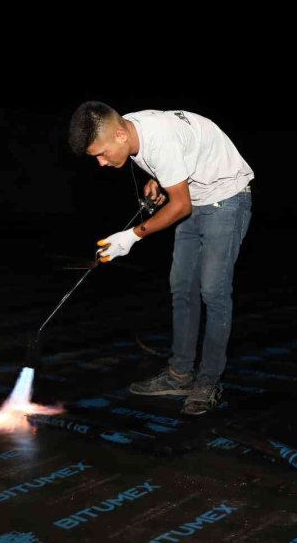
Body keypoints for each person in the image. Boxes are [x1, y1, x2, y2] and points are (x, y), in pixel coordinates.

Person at [68, 102, 254, 415]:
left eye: (100, 153)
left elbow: (179, 206)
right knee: (181, 287)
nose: (100, 163)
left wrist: (131, 236)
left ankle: (208, 380)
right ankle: (179, 375)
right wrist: (159, 179)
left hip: (226, 200)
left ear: (120, 135)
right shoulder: (131, 130)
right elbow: (173, 168)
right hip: (194, 197)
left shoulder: (158, 139)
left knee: (213, 291)